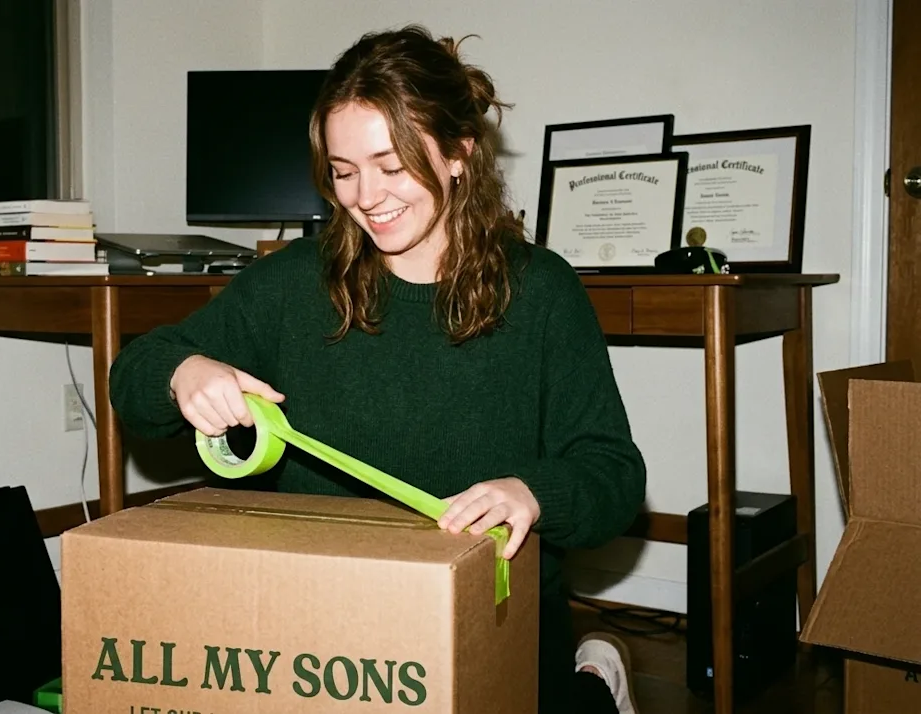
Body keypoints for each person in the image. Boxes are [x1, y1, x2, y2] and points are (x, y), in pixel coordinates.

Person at [108, 24, 647, 714]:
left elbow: (612, 473)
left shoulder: (542, 291)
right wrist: (183, 372)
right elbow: (136, 374)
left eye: (391, 166)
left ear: (459, 153)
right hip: (319, 633)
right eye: (342, 170)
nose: (366, 196)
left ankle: (595, 683)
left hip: (493, 621)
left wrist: (533, 490)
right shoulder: (291, 285)